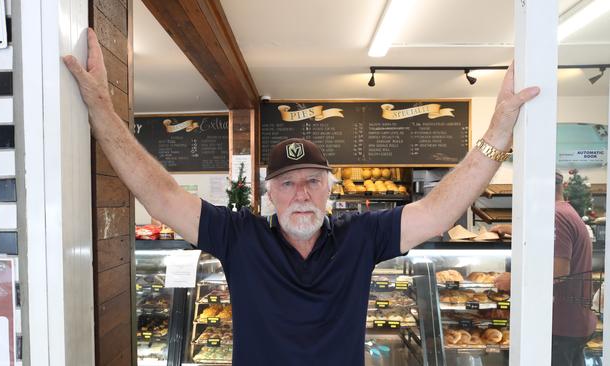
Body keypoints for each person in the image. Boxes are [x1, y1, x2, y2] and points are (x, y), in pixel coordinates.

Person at [63, 29, 539, 366]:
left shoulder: (361, 237)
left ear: (331, 187)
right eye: (288, 183)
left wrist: (498, 129)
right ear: (269, 193)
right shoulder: (239, 236)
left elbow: (439, 211)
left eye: (313, 180)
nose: (301, 194)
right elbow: (160, 194)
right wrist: (101, 109)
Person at [492, 171, 595, 366]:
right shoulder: (565, 211)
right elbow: (552, 242)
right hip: (573, 322)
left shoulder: (555, 216)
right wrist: (515, 229)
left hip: (559, 325)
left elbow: (559, 271)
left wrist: (514, 280)